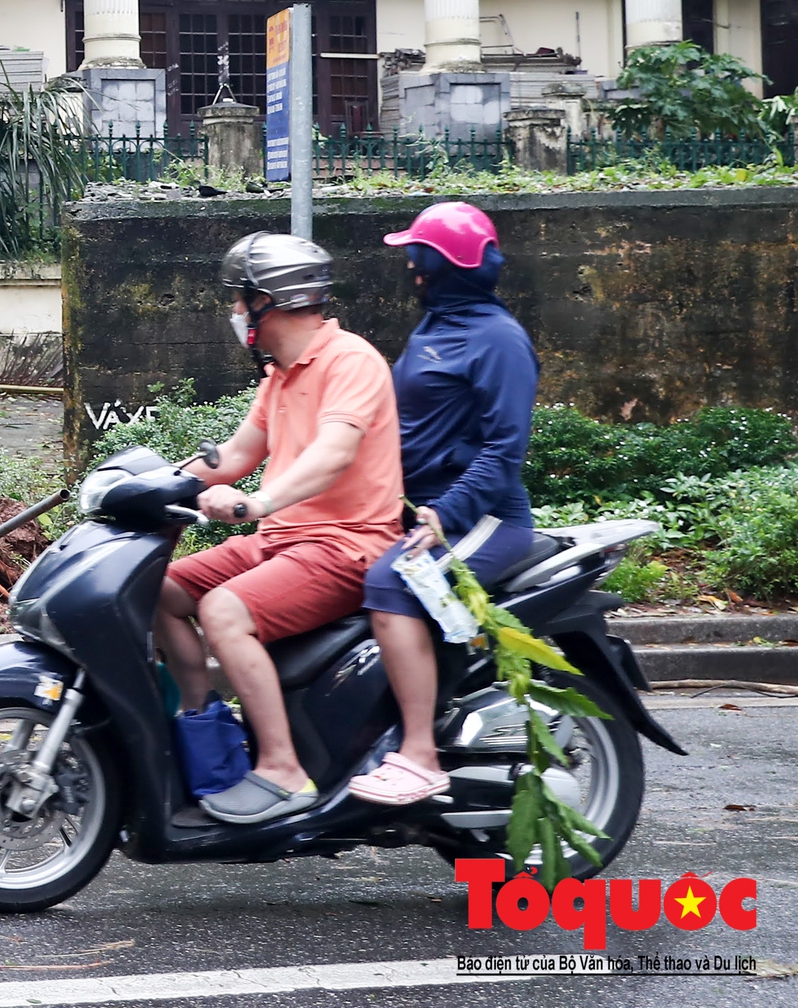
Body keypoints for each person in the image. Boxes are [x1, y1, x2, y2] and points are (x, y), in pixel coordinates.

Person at [154, 232, 405, 825]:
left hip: (347, 544)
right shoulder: (281, 375)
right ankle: (206, 731)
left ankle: (284, 771)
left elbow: (333, 454)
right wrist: (154, 486)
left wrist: (255, 503)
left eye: (241, 300)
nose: (236, 312)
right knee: (153, 590)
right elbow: (236, 453)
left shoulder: (351, 362)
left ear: (271, 300)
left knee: (223, 611)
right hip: (282, 542)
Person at [345, 201, 541, 806]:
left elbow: (505, 452)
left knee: (393, 584)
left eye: (417, 257)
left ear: (440, 266)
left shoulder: (500, 341)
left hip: (484, 518)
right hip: (421, 510)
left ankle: (421, 757)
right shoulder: (434, 326)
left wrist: (445, 514)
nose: (410, 269)